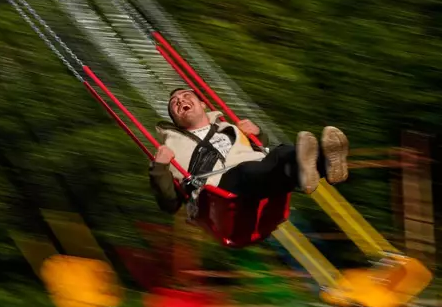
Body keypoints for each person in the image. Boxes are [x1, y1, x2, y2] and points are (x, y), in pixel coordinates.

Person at [149, 88, 349, 216]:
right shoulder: (169, 150)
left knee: (278, 154)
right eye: (174, 103)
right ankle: (312, 167)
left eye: (186, 96)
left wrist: (258, 134)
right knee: (251, 170)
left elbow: (256, 149)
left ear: (202, 104)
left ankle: (326, 162)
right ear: (175, 120)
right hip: (220, 195)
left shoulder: (227, 127)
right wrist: (159, 169)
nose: (179, 100)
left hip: (256, 173)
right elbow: (170, 204)